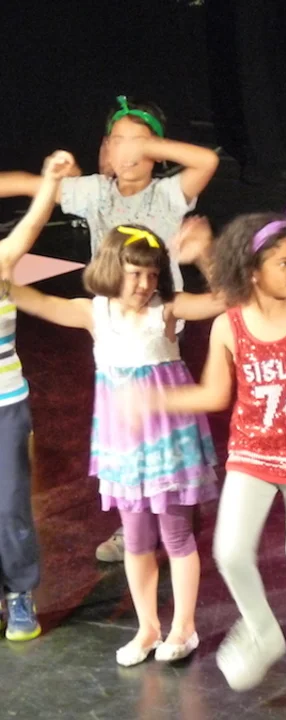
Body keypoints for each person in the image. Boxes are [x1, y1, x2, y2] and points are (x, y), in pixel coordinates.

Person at [142, 209, 286, 696]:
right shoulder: (229, 326)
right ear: (252, 271)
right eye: (282, 263)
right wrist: (159, 400)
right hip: (253, 454)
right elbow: (214, 394)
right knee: (230, 551)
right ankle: (263, 631)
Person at [0, 95, 220, 563]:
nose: (127, 150)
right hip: (112, 321)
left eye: (138, 143)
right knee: (127, 430)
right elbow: (27, 184)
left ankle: (175, 508)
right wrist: (53, 175)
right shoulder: (95, 191)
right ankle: (133, 522)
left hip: (160, 319)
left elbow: (206, 161)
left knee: (163, 424)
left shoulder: (167, 192)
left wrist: (149, 145)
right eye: (117, 141)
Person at [10, 223, 221, 664]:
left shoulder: (166, 310)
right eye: (134, 273)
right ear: (111, 268)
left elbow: (225, 298)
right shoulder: (95, 314)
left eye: (152, 274)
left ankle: (184, 628)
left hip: (167, 442)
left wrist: (204, 254)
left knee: (176, 535)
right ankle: (148, 628)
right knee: (137, 540)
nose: (144, 284)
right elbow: (35, 300)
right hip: (124, 447)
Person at [0, 150, 75, 641]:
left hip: (5, 405)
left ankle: (20, 592)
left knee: (8, 504)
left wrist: (48, 181)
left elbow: (30, 227)